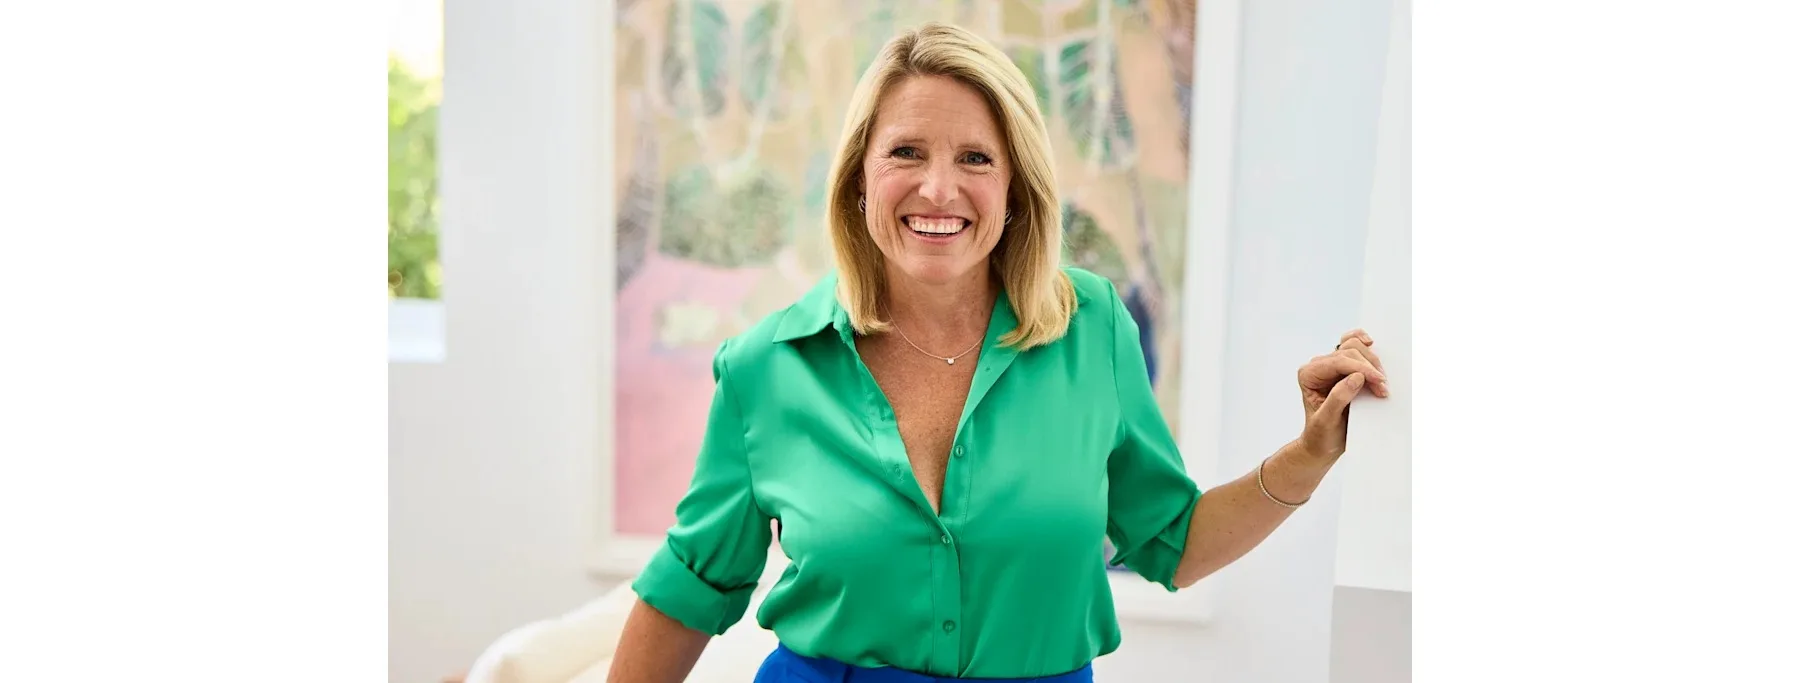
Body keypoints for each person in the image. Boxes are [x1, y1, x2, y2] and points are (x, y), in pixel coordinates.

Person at [607, 21, 1389, 683]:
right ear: (858, 180)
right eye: (906, 152)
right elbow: (690, 589)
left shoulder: (1093, 328)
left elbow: (1172, 543)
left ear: (1016, 187)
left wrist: (1309, 453)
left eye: (975, 158)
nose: (939, 189)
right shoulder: (766, 369)